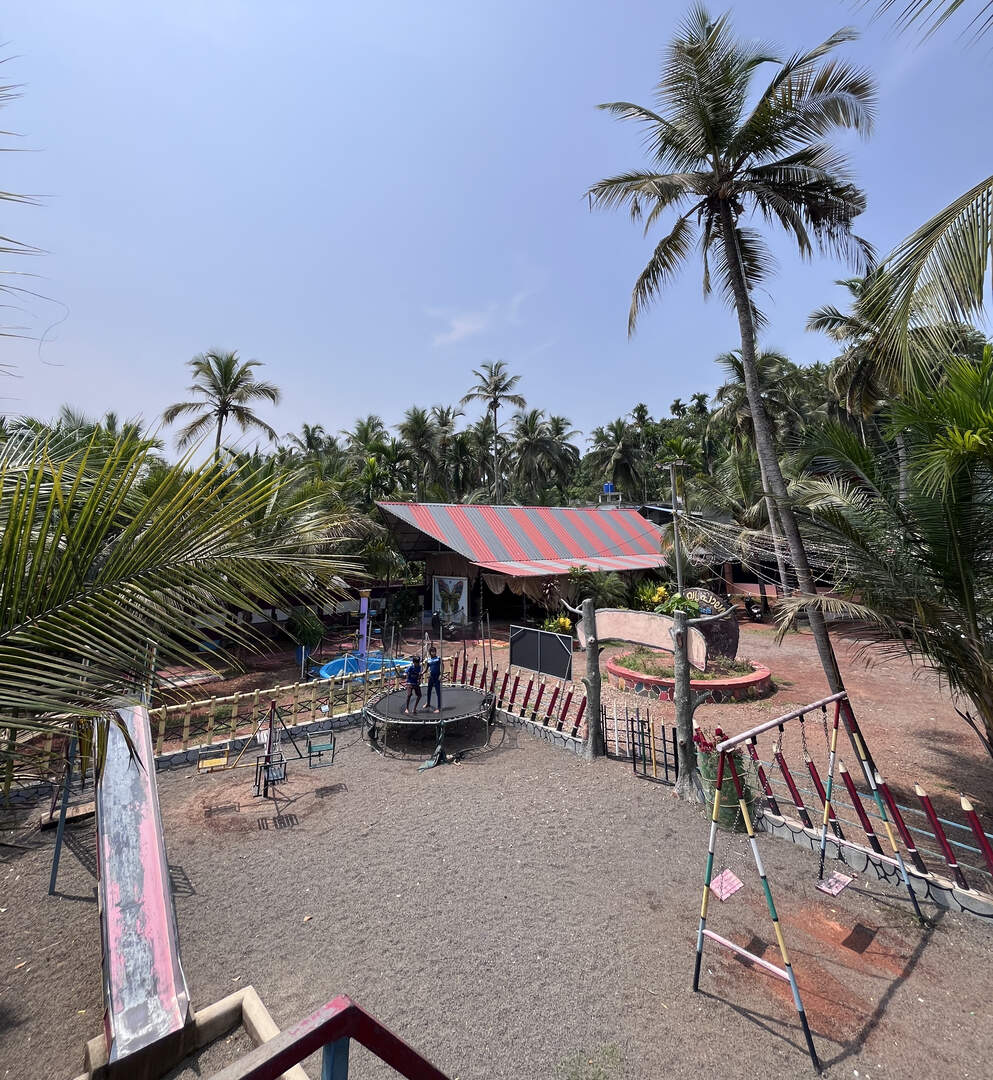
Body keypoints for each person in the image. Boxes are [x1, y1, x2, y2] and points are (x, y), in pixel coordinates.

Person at [425, 645, 442, 714]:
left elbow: (442, 666)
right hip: (431, 677)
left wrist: (441, 675)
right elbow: (426, 669)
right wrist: (422, 673)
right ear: (430, 652)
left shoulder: (438, 658)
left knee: (438, 692)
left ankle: (438, 707)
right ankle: (428, 703)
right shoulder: (429, 660)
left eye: (434, 651)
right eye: (432, 652)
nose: (434, 653)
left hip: (437, 677)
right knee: (429, 691)